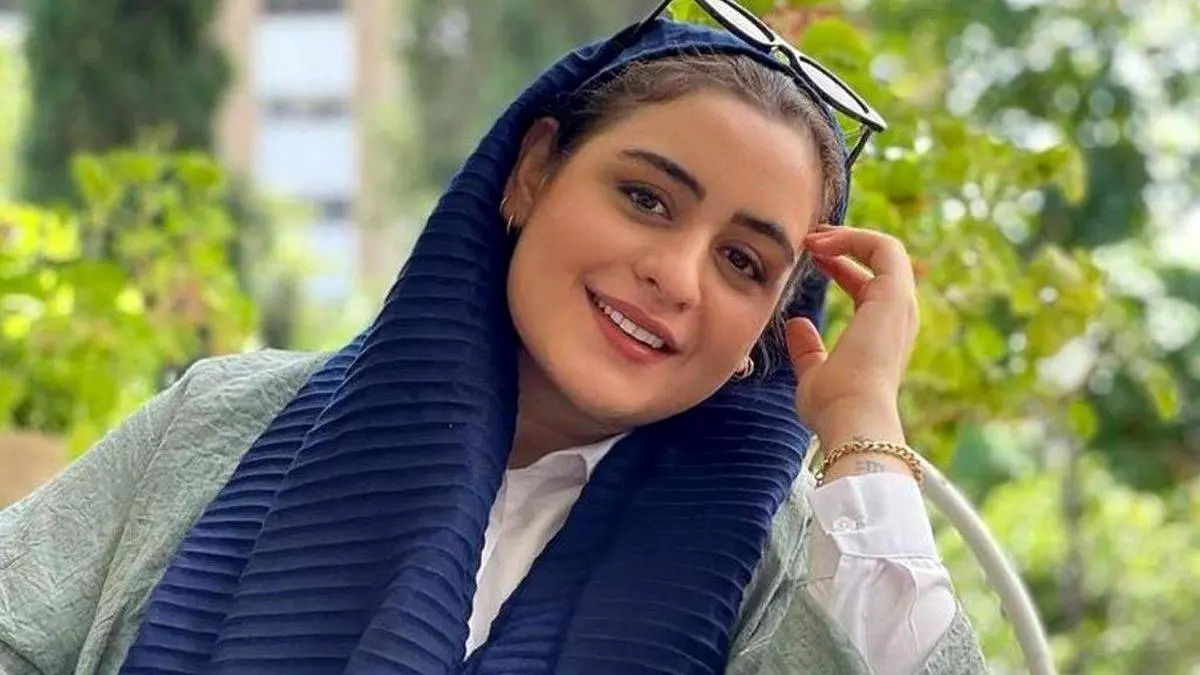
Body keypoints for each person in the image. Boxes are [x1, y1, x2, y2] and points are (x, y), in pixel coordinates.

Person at [0, 2, 987, 673]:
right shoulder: (225, 419)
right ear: (533, 171)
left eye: (742, 262)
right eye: (646, 198)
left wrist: (864, 424)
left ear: (763, 334)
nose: (677, 275)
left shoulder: (784, 571)